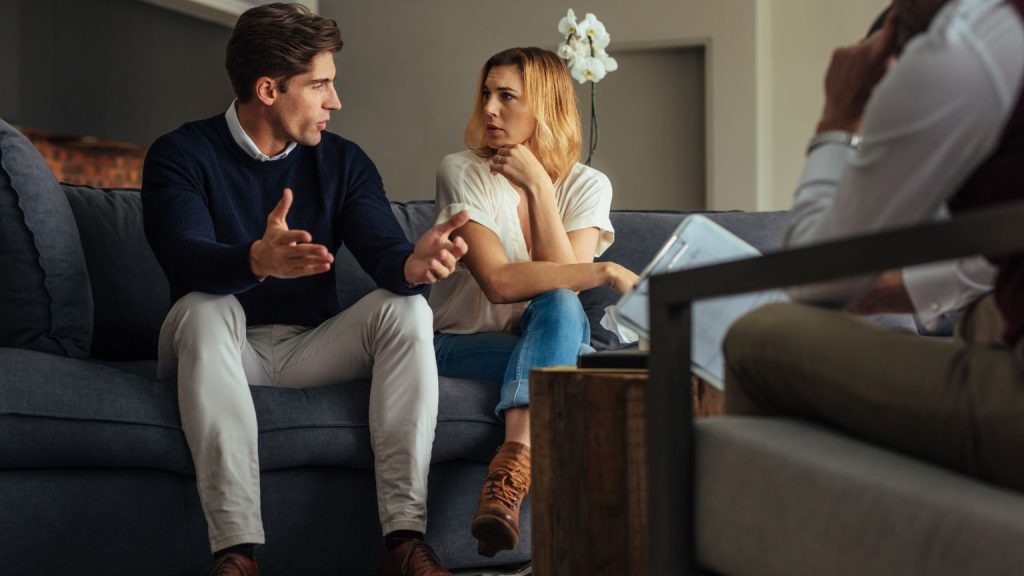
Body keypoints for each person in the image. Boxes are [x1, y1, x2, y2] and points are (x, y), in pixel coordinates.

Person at [141, 4, 468, 576]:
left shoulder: (343, 162)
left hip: (309, 348)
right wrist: (256, 260)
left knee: (406, 310)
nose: (334, 101)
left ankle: (404, 540)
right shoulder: (180, 155)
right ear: (269, 89)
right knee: (203, 308)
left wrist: (413, 266)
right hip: (217, 348)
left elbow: (384, 252)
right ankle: (236, 553)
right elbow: (186, 259)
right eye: (320, 84)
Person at [724, 0, 1024, 491]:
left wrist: (837, 121)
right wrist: (887, 291)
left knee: (758, 337)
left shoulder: (962, 48)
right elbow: (984, 264)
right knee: (981, 317)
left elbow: (815, 278)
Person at [427, 46, 638, 557]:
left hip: (539, 340)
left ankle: (510, 472)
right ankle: (541, 489)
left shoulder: (588, 185)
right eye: (486, 94)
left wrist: (541, 188)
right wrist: (606, 270)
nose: (490, 109)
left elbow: (561, 289)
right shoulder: (461, 170)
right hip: (457, 343)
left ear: (543, 106)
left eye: (507, 97)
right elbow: (498, 281)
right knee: (573, 371)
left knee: (562, 311)